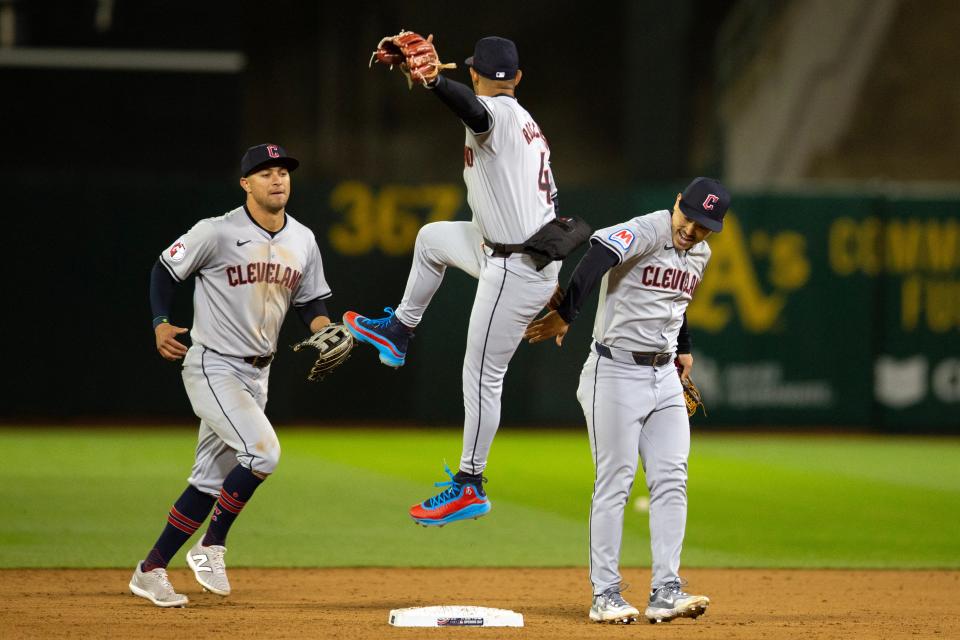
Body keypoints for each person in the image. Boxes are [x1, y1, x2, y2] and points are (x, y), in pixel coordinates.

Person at [344, 36, 560, 526]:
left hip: (515, 266)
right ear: (519, 77)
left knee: (482, 375)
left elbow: (476, 112)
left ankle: (470, 483)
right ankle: (399, 330)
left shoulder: (498, 113)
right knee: (431, 239)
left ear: (475, 72)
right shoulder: (528, 123)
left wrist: (437, 82)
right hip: (506, 249)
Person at [129, 143, 335, 607]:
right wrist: (160, 321)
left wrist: (325, 330)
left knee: (208, 481)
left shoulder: (302, 238)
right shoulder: (216, 232)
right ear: (246, 184)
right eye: (265, 173)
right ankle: (211, 544)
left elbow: (310, 303)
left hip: (258, 374)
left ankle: (150, 569)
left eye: (283, 171)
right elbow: (164, 268)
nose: (277, 179)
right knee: (263, 454)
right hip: (213, 364)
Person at [524, 177, 730, 624]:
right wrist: (566, 314)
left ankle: (666, 590)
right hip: (613, 372)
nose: (693, 230)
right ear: (677, 203)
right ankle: (605, 593)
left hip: (664, 377)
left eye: (705, 225)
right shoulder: (647, 229)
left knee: (672, 479)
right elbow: (597, 255)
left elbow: (677, 301)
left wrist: (684, 346)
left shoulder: (701, 253)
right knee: (615, 482)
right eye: (690, 217)